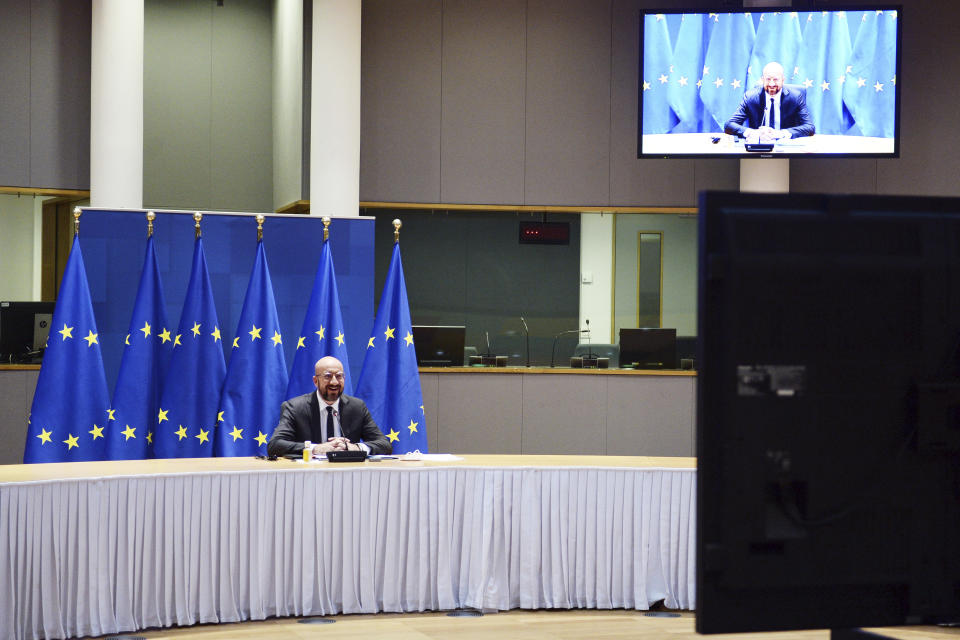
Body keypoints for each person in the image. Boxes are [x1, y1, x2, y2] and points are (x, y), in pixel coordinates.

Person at [267, 356, 391, 456]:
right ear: (315, 381)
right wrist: (316, 448)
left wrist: (356, 447)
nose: (334, 382)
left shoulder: (357, 407)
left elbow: (384, 445)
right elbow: (275, 445)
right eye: (327, 376)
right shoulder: (295, 407)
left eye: (339, 376)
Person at [724, 61, 815, 141]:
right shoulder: (750, 97)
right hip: (758, 149)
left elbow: (809, 127)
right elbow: (729, 125)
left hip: (785, 147)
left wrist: (781, 134)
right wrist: (753, 133)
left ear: (783, 80)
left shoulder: (795, 97)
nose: (771, 84)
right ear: (762, 79)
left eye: (775, 79)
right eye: (768, 79)